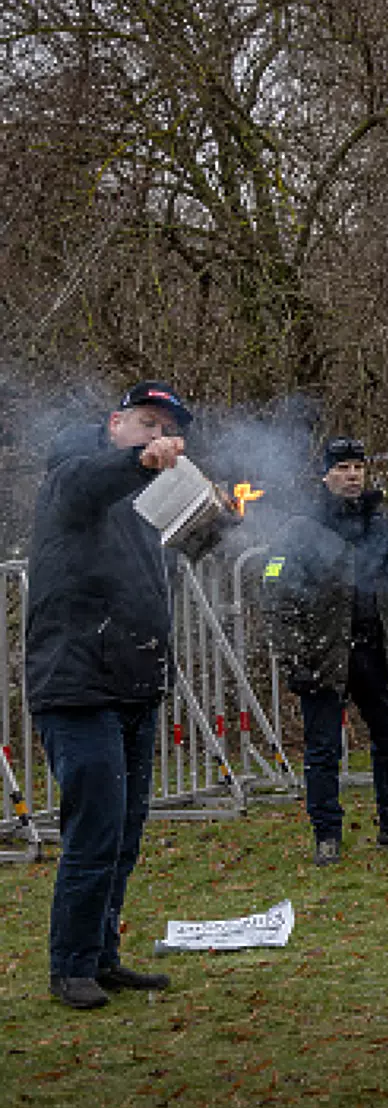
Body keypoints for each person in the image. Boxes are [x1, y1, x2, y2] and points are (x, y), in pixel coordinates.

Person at [27, 382, 195, 1009]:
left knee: (123, 835)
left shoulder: (145, 503)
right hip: (78, 686)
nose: (157, 436)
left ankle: (101, 956)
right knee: (94, 833)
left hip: (132, 686)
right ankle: (69, 965)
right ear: (115, 423)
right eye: (146, 423)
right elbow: (95, 480)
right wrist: (138, 461)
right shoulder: (70, 476)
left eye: (166, 429)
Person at [262, 437, 388, 865]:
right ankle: (327, 835)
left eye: (358, 467)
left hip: (377, 650)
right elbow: (273, 590)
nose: (352, 475)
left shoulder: (382, 520)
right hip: (324, 653)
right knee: (324, 749)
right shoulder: (301, 528)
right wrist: (293, 658)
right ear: (326, 476)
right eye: (342, 468)